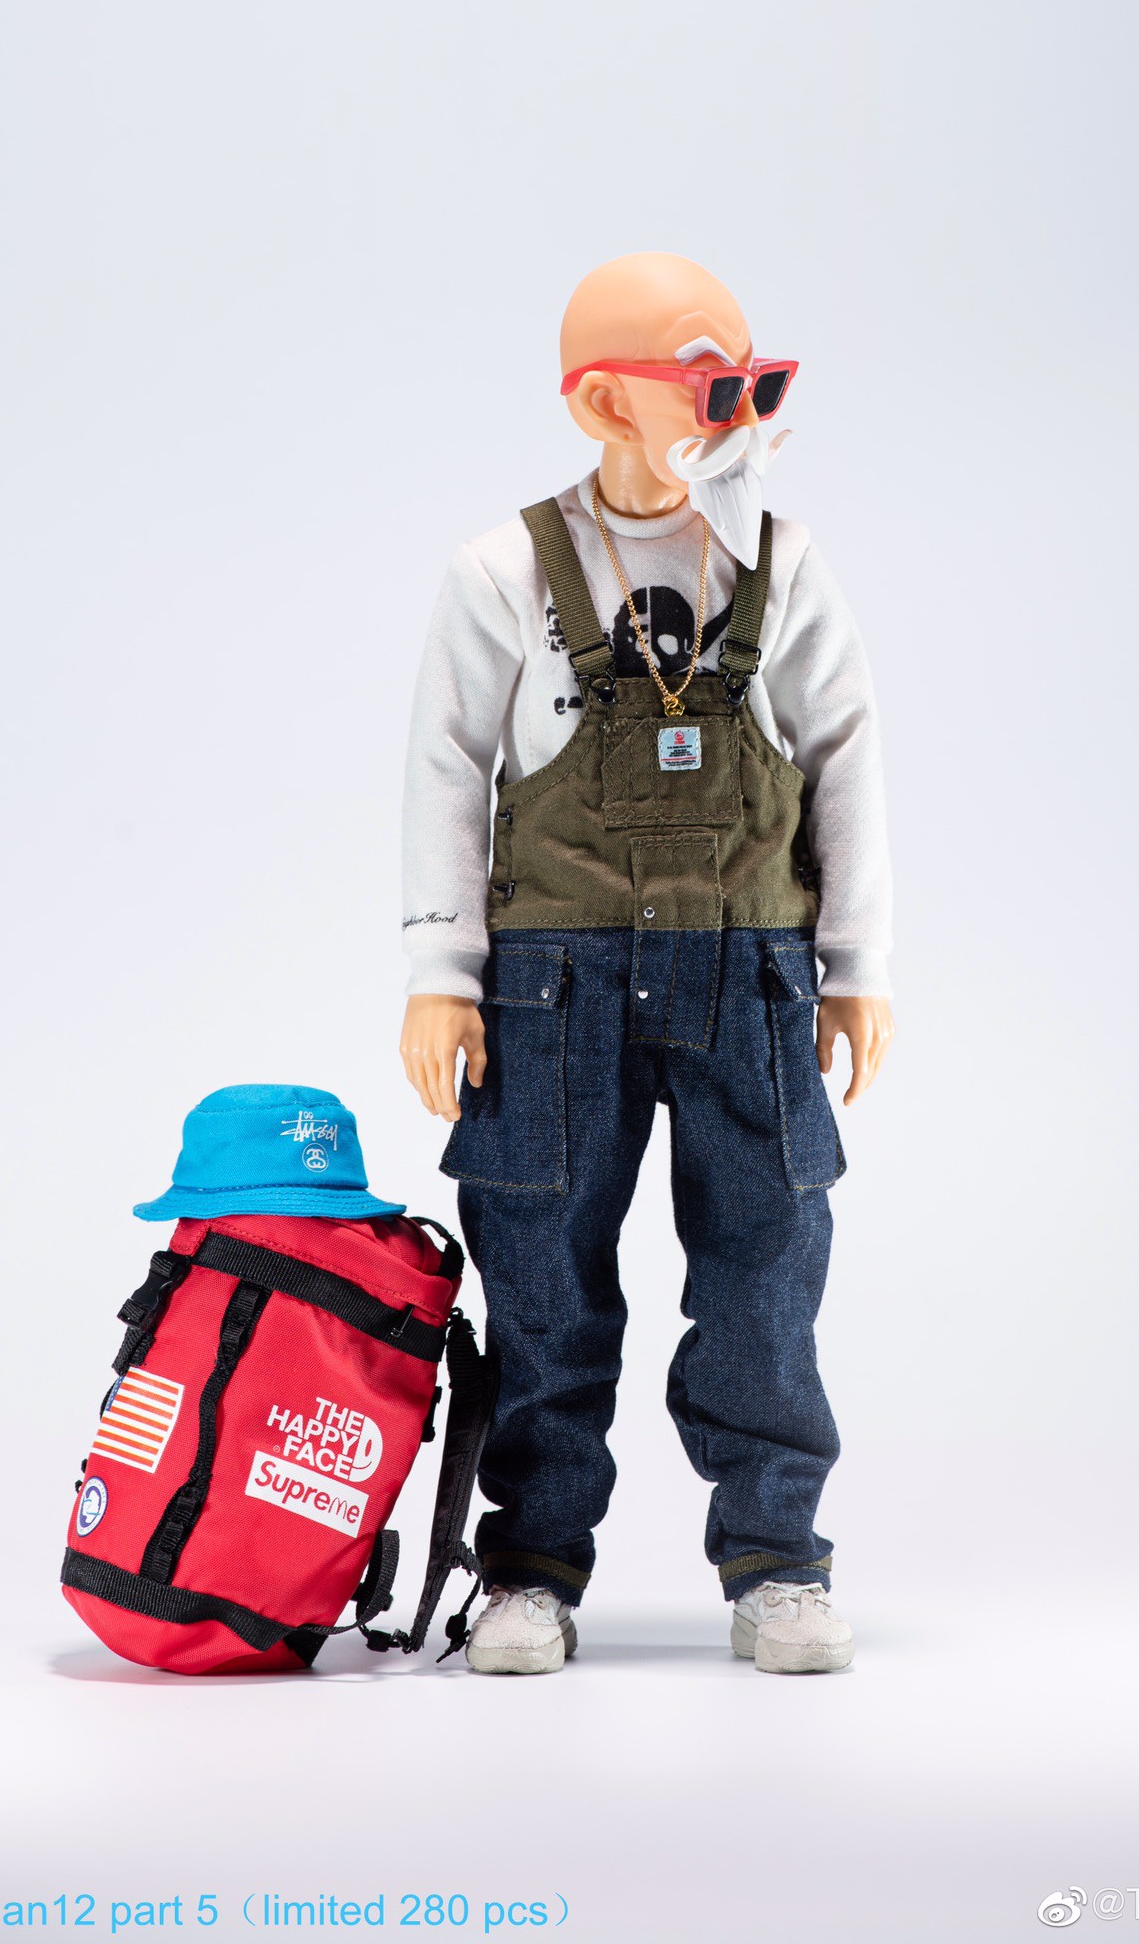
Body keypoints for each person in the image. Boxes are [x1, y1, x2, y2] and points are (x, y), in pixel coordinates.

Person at [398, 253, 894, 1674]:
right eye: (713, 390)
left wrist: (854, 961)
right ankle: (529, 1570)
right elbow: (447, 771)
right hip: (550, 982)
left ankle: (778, 1563)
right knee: (542, 1279)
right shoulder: (503, 571)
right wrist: (441, 974)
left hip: (750, 972)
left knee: (765, 1271)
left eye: (757, 387)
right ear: (605, 402)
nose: (743, 418)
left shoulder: (782, 564)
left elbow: (846, 752)